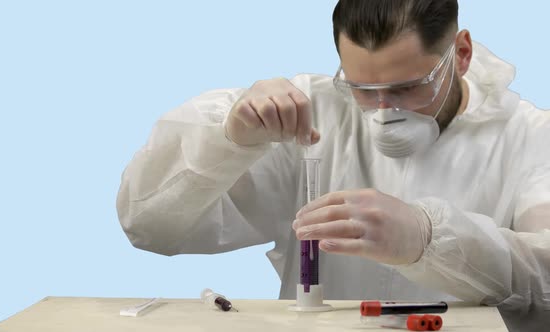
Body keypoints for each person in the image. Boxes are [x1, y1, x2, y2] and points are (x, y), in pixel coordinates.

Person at [116, 1, 550, 330]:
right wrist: (227, 141)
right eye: (362, 87)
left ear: (461, 53)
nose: (383, 111)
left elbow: (545, 280)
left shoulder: (530, 135)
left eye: (407, 87)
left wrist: (430, 238)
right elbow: (149, 225)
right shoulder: (306, 114)